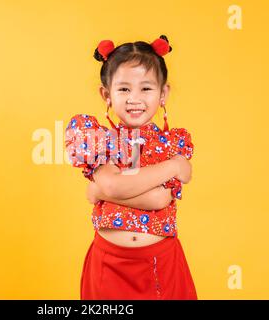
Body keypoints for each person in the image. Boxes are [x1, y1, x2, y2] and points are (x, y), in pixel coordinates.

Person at [65, 35, 197, 300]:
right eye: (124, 89)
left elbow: (161, 198)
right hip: (109, 264)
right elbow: (121, 187)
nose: (134, 98)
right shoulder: (99, 137)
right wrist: (173, 167)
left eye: (146, 88)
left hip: (160, 263)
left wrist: (101, 191)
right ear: (107, 94)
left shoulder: (172, 142)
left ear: (163, 94)